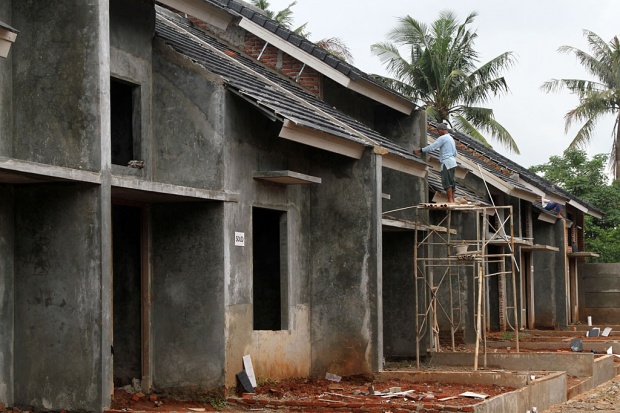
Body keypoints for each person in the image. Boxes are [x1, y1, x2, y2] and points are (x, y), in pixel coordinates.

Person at [414, 122, 457, 203]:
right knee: (452, 182)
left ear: (442, 130)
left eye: (438, 131)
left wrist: (420, 150)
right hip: (453, 162)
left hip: (446, 162)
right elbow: (455, 153)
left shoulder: (443, 138)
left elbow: (432, 147)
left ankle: (450, 200)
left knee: (447, 182)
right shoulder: (451, 138)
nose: (438, 133)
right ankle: (453, 200)